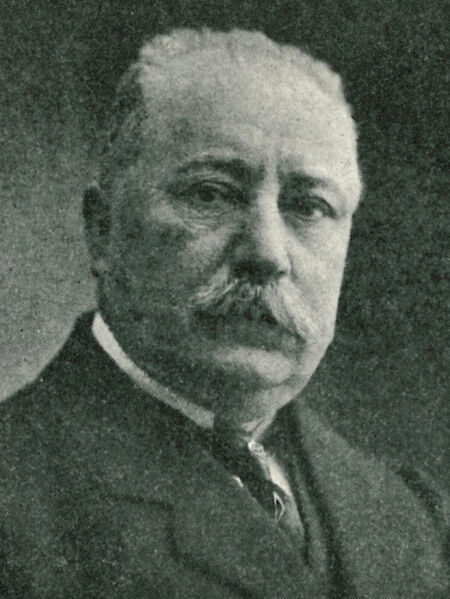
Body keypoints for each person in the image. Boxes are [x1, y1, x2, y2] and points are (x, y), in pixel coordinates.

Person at [0, 28, 447, 598]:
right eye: (211, 193)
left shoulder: (412, 518)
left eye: (309, 207)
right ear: (103, 230)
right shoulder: (17, 495)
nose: (267, 253)